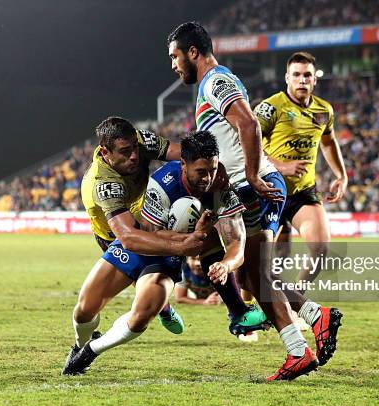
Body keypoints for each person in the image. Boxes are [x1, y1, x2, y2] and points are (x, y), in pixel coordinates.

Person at [167, 22, 337, 380]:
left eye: (175, 56)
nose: (173, 65)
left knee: (237, 265)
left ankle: (292, 340)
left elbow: (249, 123)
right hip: (244, 188)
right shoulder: (211, 85)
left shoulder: (215, 81)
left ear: (192, 52)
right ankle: (308, 322)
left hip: (251, 188)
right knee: (252, 273)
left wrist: (255, 174)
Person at [64, 130, 266, 375]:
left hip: (167, 260)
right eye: (201, 172)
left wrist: (226, 264)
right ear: (183, 165)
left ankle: (90, 351)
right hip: (142, 244)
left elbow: (237, 244)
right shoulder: (163, 183)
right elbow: (152, 233)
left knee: (142, 315)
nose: (208, 178)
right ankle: (79, 344)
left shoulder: (222, 189)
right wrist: (189, 240)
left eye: (212, 169)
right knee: (85, 309)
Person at [62, 116, 208, 375]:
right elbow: (128, 238)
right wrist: (183, 247)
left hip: (151, 223)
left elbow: (181, 154)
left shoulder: (140, 142)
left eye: (134, 149)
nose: (133, 156)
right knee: (85, 310)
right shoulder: (103, 183)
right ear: (105, 153)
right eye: (125, 152)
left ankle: (156, 304)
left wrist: (207, 168)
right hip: (116, 235)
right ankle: (80, 344)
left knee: (145, 304)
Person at [254, 51, 345, 361]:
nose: (302, 80)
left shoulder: (324, 111)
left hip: (303, 192)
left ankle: (299, 306)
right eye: (297, 74)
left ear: (315, 78)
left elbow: (329, 142)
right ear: (287, 78)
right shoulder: (270, 109)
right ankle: (260, 315)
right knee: (266, 267)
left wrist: (341, 175)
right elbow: (244, 144)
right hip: (269, 190)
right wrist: (279, 165)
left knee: (320, 248)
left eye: (307, 75)